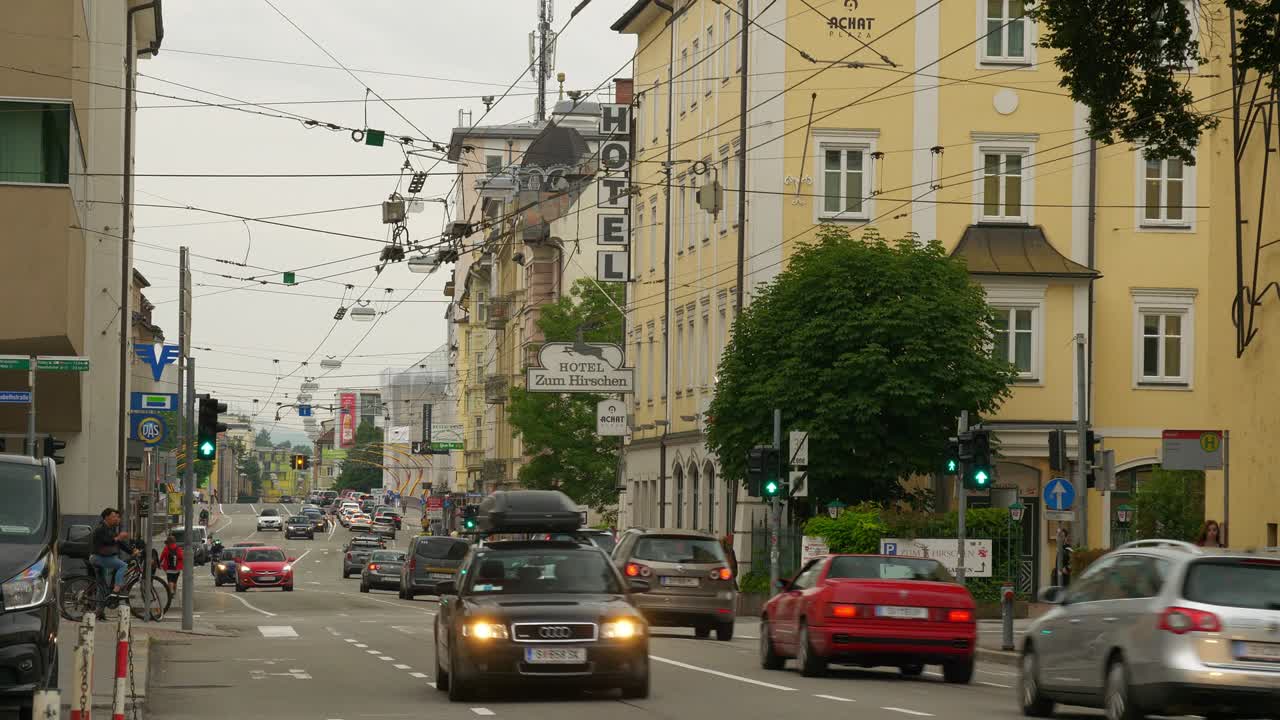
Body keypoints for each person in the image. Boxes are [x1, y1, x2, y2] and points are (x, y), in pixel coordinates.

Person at [91, 508, 131, 596]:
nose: (115, 518)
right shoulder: (101, 528)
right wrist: (118, 538)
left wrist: (132, 551)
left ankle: (99, 607)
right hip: (99, 557)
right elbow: (106, 541)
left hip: (104, 557)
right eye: (113, 516)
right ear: (106, 517)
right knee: (123, 566)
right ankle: (116, 590)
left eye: (116, 517)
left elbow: (120, 543)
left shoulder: (110, 528)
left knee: (101, 586)